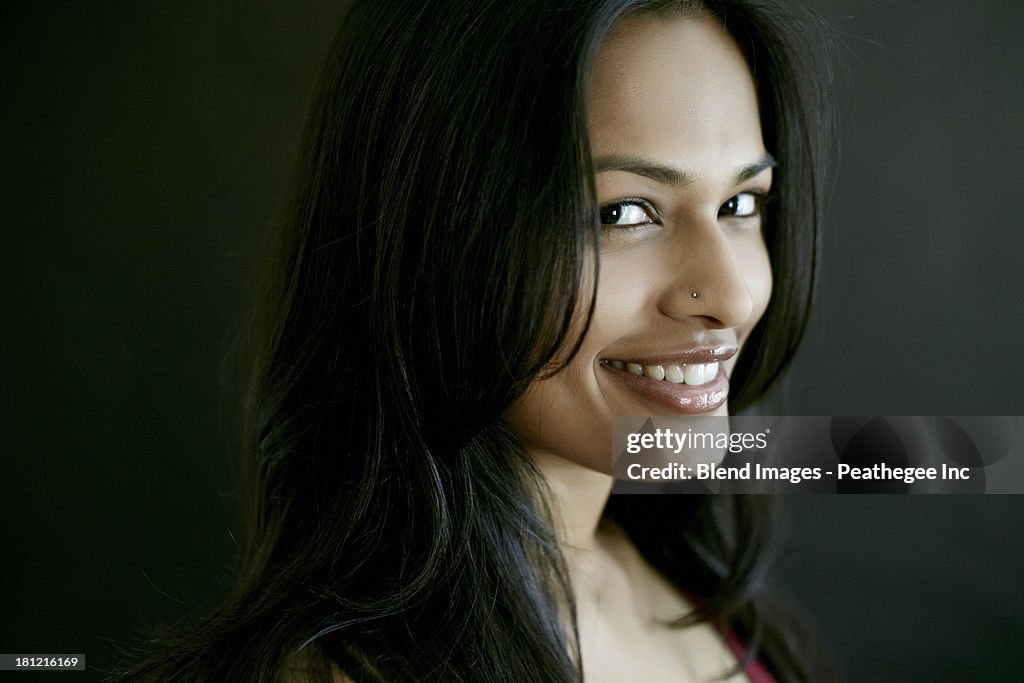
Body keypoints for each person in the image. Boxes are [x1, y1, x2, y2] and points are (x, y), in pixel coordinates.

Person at [116, 0, 834, 680]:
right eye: (623, 212)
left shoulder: (685, 583)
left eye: (741, 204)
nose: (734, 293)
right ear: (436, 237)